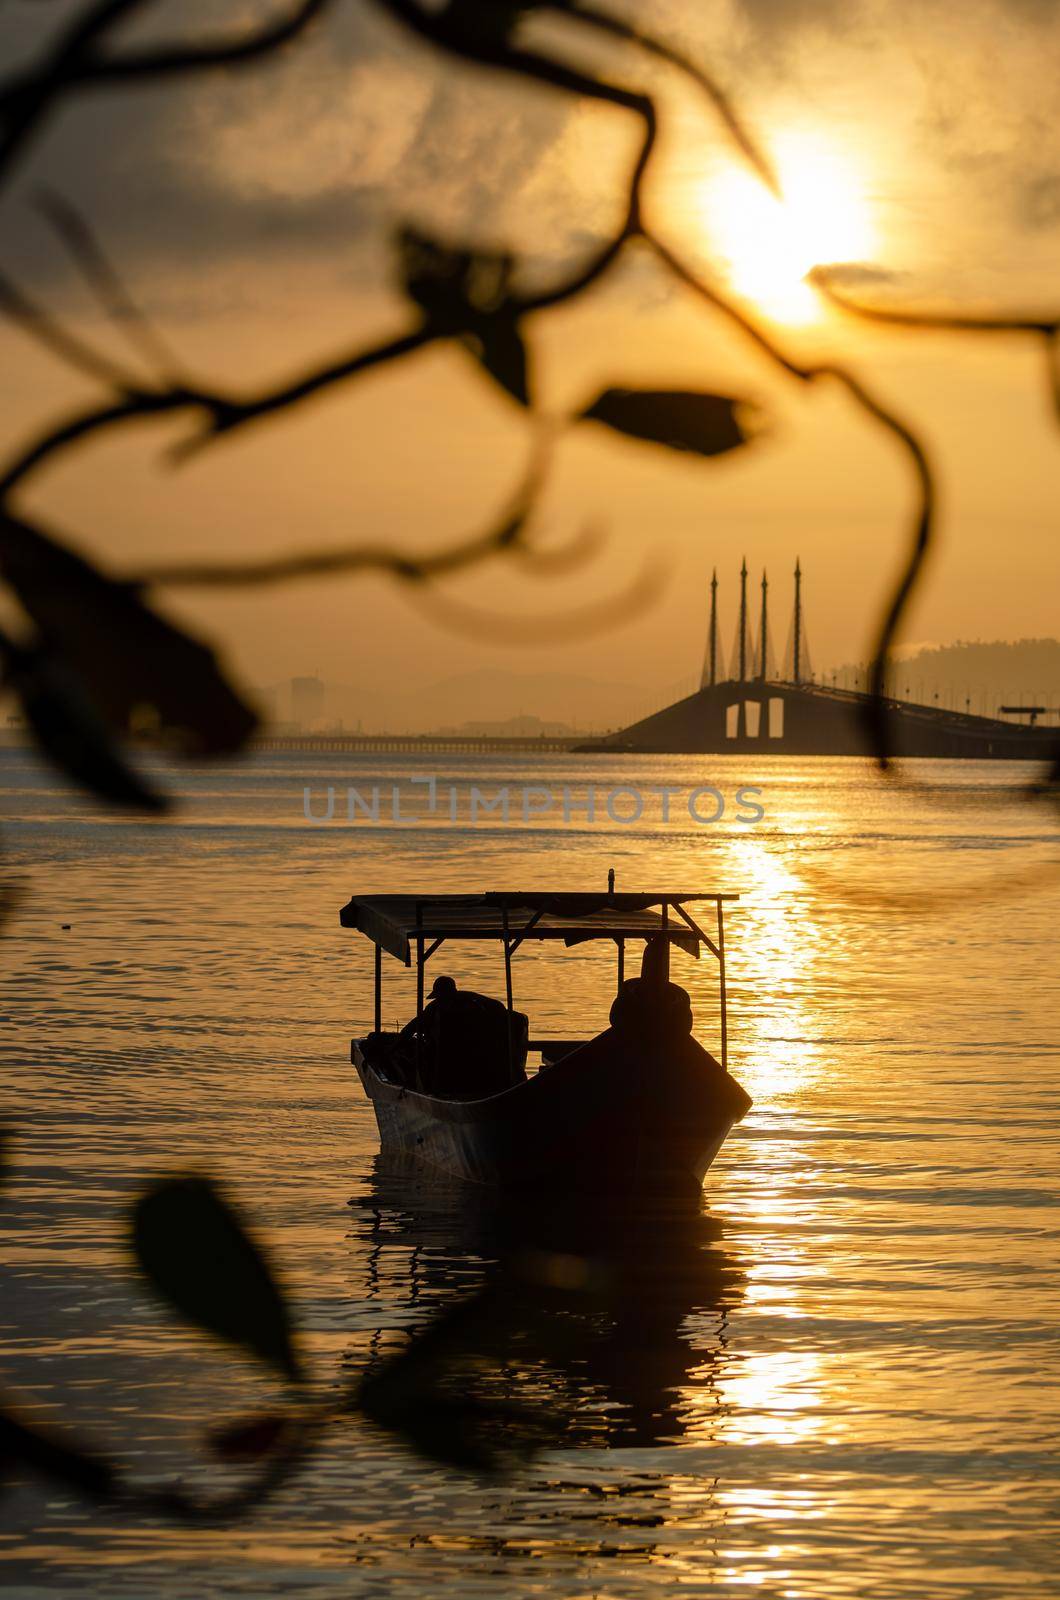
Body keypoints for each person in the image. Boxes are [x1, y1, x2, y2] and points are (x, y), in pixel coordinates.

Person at [400, 975, 527, 1096]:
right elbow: (412, 1027)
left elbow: (500, 1012)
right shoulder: (435, 1007)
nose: (442, 1001)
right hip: (456, 1062)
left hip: (474, 1060)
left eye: (443, 997)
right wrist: (396, 1045)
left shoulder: (473, 1006)